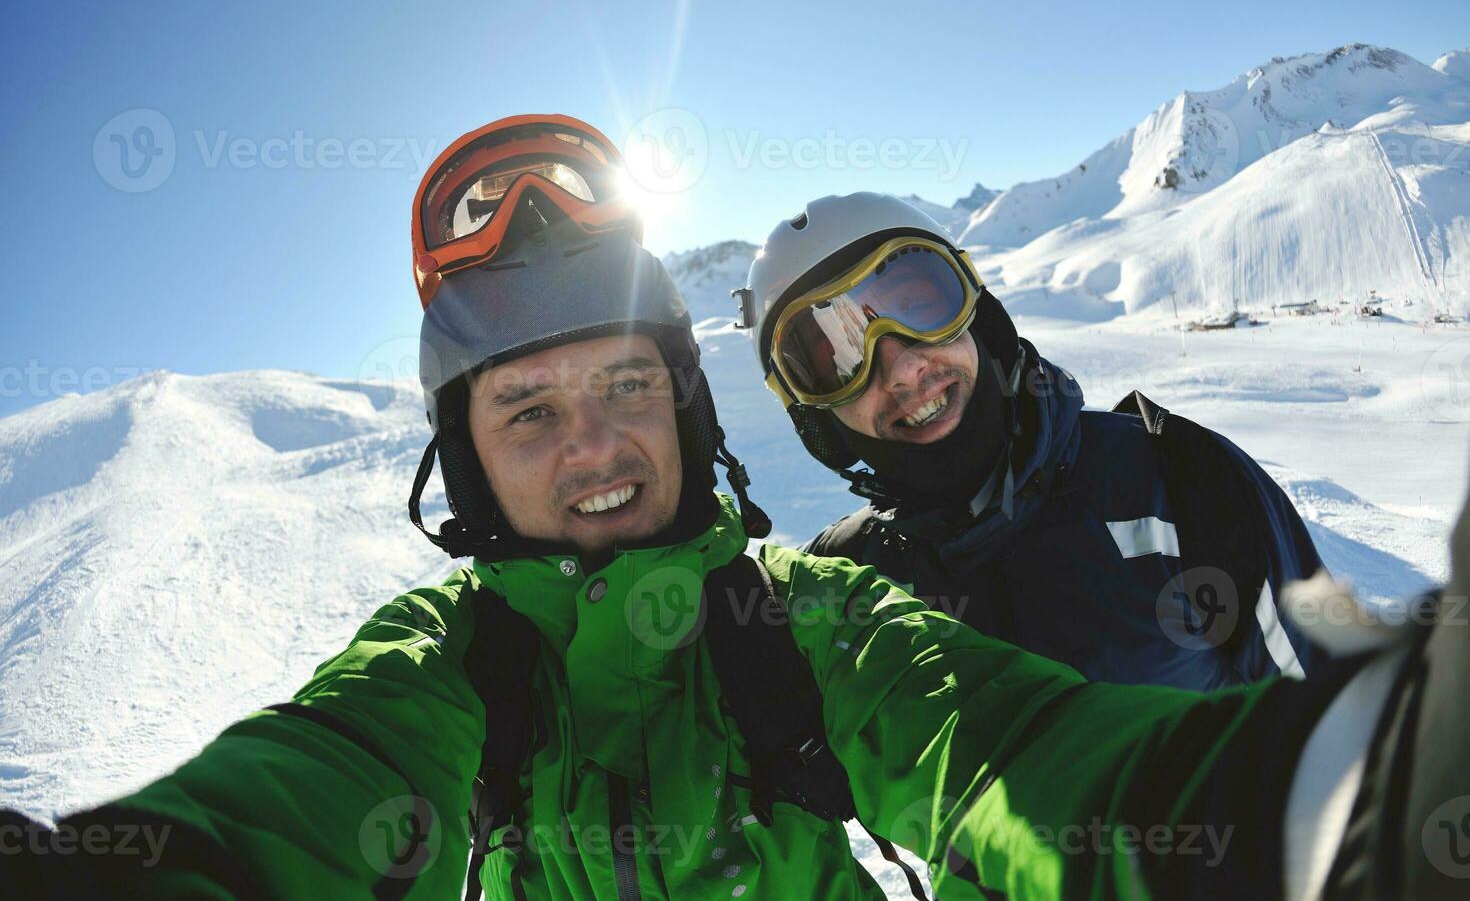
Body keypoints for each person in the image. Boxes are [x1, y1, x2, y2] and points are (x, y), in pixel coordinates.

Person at [2, 116, 1464, 901]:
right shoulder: (448, 664)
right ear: (463, 461)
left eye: (629, 388)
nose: (593, 450)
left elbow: (1008, 751)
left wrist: (1329, 794)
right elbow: (312, 783)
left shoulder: (811, 618)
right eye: (526, 410)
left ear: (691, 418)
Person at [735, 193, 1323, 690]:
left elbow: (1336, 722)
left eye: (918, 307)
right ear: (816, 418)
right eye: (837, 358)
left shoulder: (1180, 485)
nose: (902, 369)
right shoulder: (841, 582)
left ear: (978, 316)